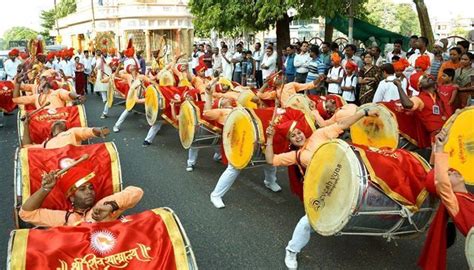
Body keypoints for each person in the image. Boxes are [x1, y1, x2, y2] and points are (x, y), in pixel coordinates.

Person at [263, 107, 379, 270]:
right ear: (291, 141)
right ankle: (291, 250)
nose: (298, 136)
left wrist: (363, 113)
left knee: (369, 197)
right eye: (293, 136)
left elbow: (342, 124)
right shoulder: (296, 156)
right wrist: (269, 138)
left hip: (347, 179)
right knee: (307, 222)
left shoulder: (319, 135)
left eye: (298, 132)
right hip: (326, 190)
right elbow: (271, 160)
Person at [418, 129, 473, 270]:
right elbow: (441, 181)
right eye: (449, 174)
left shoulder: (468, 196)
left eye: (452, 170)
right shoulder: (454, 202)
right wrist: (440, 149)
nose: (453, 171)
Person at [19, 166, 143, 227]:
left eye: (91, 188)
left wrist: (112, 206)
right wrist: (45, 188)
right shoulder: (64, 217)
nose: (89, 192)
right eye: (82, 189)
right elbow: (26, 214)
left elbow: (136, 191)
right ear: (71, 197)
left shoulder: (102, 206)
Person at [396, 74, 451, 142]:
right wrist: (399, 87)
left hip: (450, 131)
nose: (428, 77)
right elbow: (408, 105)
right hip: (438, 138)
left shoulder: (439, 96)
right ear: (420, 85)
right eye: (424, 78)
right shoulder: (418, 99)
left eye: (427, 76)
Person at [13, 71, 85, 109]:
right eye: (43, 79)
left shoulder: (58, 92)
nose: (45, 81)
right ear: (38, 83)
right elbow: (16, 100)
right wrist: (17, 84)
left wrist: (77, 96)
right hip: (43, 124)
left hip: (59, 121)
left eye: (47, 79)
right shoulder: (35, 97)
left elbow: (68, 94)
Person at [22, 118, 109, 149]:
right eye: (56, 121)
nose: (58, 122)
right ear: (51, 131)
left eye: (63, 121)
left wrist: (100, 130)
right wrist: (25, 124)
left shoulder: (72, 132)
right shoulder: (45, 144)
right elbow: (26, 146)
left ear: (67, 127)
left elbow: (87, 132)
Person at [112, 64, 151, 133]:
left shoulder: (141, 76)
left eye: (133, 65)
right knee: (127, 110)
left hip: (141, 97)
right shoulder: (128, 76)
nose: (131, 66)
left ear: (136, 68)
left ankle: (153, 126)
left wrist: (150, 73)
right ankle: (116, 126)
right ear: (128, 69)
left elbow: (150, 81)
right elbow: (116, 74)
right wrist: (119, 65)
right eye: (130, 66)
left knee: (148, 110)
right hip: (132, 97)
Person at [93, 50, 111, 119]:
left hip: (101, 74)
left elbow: (98, 65)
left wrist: (95, 69)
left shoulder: (100, 59)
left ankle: (105, 99)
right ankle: (105, 98)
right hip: (101, 73)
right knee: (101, 87)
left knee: (101, 86)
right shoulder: (101, 59)